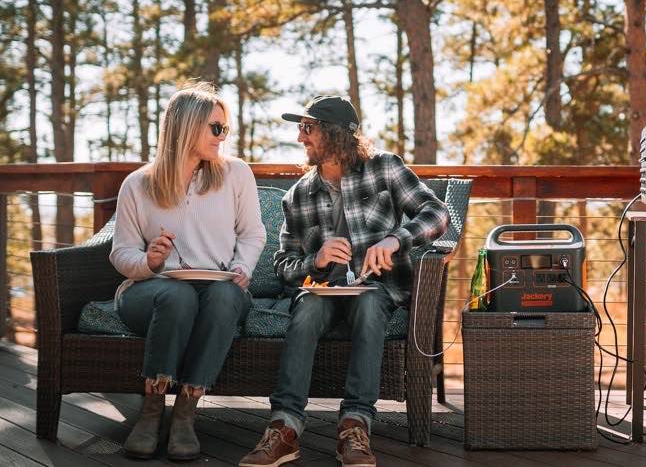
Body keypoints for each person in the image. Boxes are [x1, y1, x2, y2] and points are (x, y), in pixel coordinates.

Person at [239, 95, 449, 467]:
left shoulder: (384, 168)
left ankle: (354, 427)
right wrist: (314, 260)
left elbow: (437, 214)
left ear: (335, 134)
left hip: (377, 289)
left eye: (308, 128)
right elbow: (284, 265)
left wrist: (395, 238)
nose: (301, 137)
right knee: (306, 309)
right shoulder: (299, 195)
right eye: (300, 128)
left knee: (369, 303)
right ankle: (284, 428)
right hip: (322, 292)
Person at [110, 82, 266, 460]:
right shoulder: (139, 184)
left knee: (227, 294)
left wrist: (243, 266)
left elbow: (252, 234)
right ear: (186, 126)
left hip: (219, 290)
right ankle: (150, 413)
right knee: (177, 294)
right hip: (150, 291)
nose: (222, 136)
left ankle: (184, 414)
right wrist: (148, 261)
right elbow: (120, 253)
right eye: (216, 127)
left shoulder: (235, 174)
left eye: (225, 129)